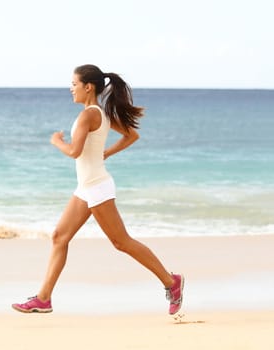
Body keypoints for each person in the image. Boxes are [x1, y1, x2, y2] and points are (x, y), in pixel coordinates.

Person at [12, 64, 184, 315]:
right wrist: (106, 153)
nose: (71, 89)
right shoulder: (99, 113)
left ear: (88, 86)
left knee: (121, 242)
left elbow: (74, 152)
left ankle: (172, 282)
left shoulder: (89, 115)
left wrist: (57, 141)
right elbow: (131, 136)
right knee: (60, 236)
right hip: (87, 186)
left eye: (74, 84)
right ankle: (44, 298)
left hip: (97, 187)